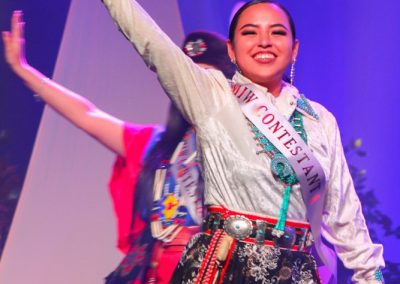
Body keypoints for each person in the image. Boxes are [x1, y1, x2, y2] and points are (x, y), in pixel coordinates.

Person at [101, 0, 385, 283]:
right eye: (250, 33)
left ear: (294, 49)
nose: (264, 42)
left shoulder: (319, 120)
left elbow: (344, 213)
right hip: (225, 265)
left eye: (277, 32)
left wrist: (369, 275)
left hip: (296, 273)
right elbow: (152, 43)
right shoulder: (212, 96)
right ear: (231, 50)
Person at [2, 11, 235, 284]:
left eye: (205, 79)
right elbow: (87, 115)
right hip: (158, 272)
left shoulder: (244, 145)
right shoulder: (156, 146)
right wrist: (24, 70)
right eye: (188, 79)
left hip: (219, 271)